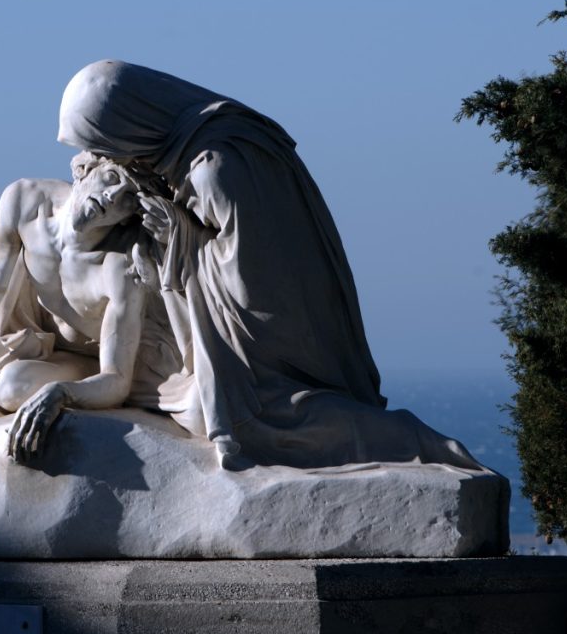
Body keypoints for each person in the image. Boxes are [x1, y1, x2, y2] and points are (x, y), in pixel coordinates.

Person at [58, 60, 478, 470]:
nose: (101, 157)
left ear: (130, 124)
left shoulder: (213, 169)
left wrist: (179, 236)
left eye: (103, 143)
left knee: (264, 417)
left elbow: (251, 280)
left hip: (273, 335)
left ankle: (415, 443)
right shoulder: (185, 146)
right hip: (252, 310)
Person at [0, 151, 194, 463]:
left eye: (128, 198)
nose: (111, 197)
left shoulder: (118, 268)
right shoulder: (25, 201)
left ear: (129, 215)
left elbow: (117, 379)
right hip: (20, 337)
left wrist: (62, 392)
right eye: (111, 178)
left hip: (86, 362)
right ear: (86, 171)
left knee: (11, 387)